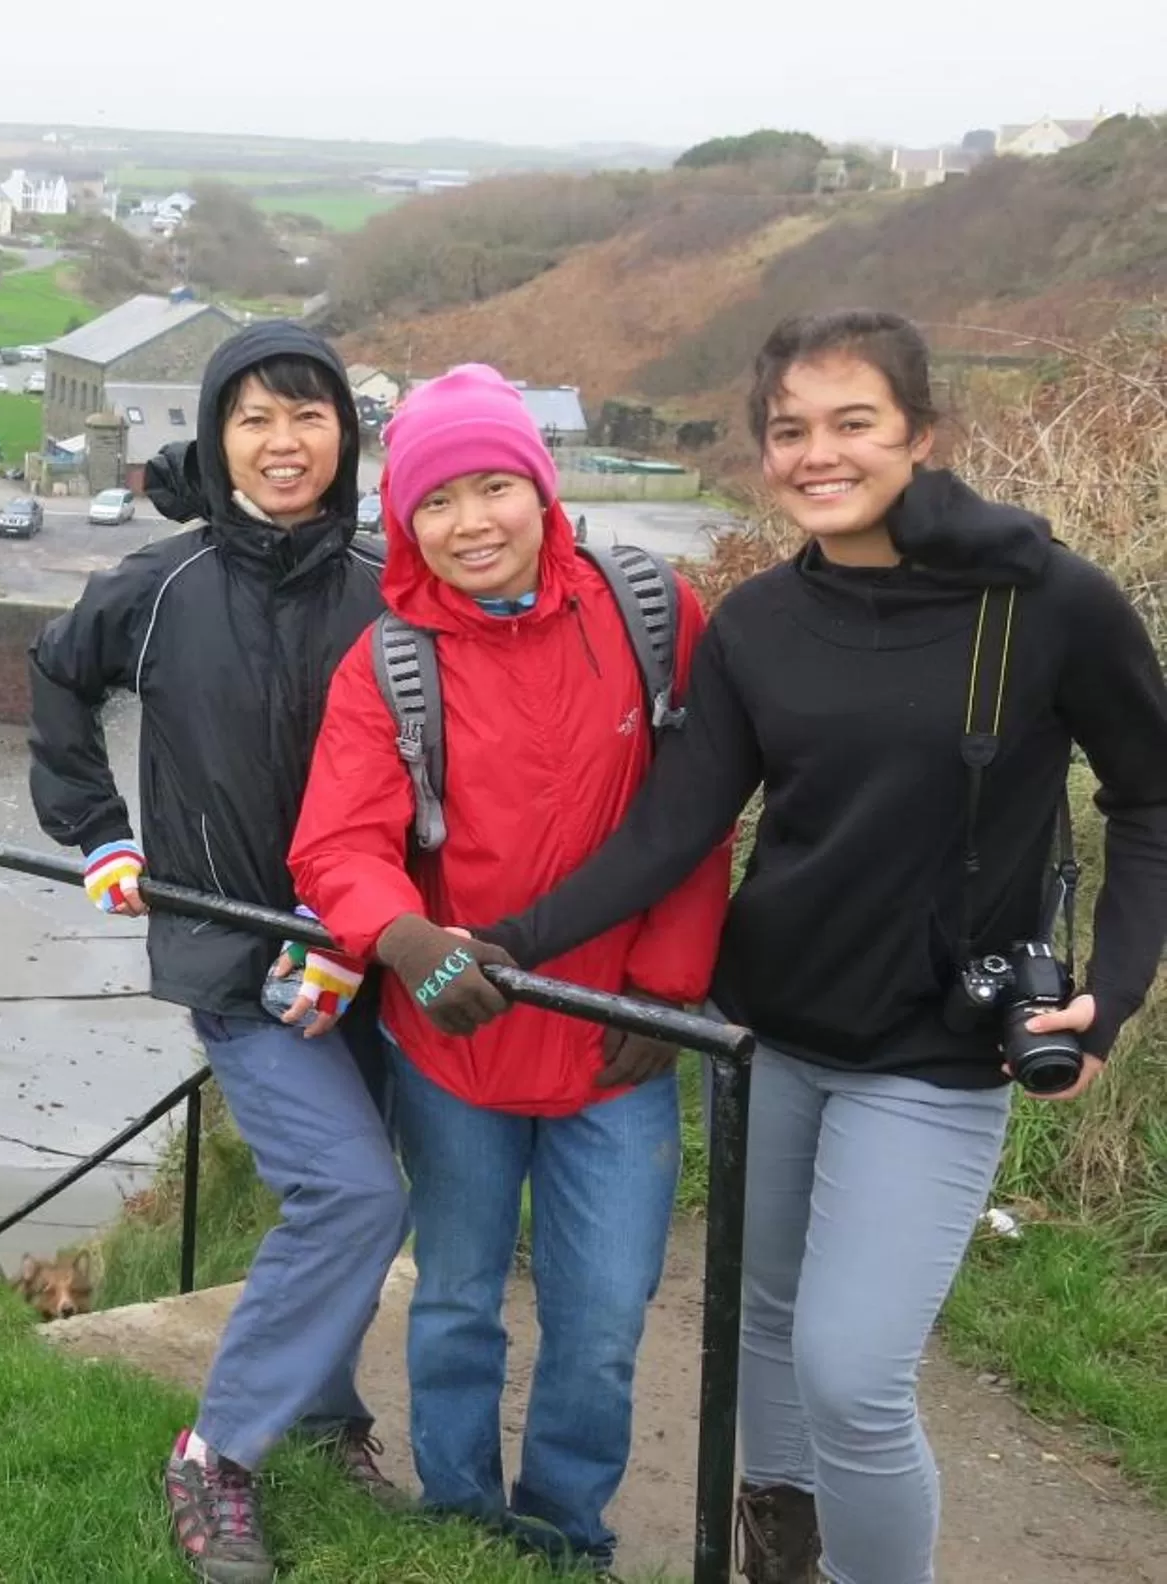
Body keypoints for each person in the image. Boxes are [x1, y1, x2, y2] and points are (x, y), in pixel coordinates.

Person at [458, 309, 1167, 1584]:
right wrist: (502, 942)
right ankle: (778, 1549)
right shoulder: (759, 623)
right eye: (789, 430)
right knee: (767, 1320)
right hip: (770, 1035)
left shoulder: (1046, 603)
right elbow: (673, 828)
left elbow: (1149, 799)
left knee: (852, 1374)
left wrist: (1110, 994)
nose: (816, 455)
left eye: (853, 423)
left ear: (921, 434)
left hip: (935, 1052)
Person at [286, 365, 731, 1572]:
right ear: (403, 522)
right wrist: (405, 941)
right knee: (453, 1300)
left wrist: (668, 990)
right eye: (435, 501)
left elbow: (697, 819)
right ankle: (459, 1517)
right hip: (455, 1041)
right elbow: (337, 845)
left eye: (493, 487)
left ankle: (564, 1531)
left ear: (542, 489)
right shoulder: (387, 664)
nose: (469, 522)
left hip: (617, 1043)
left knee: (602, 1319)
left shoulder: (652, 613)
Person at [28, 322, 400, 1584]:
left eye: (307, 416)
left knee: (351, 1194)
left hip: (374, 950)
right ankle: (216, 1453)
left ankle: (328, 1413)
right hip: (233, 955)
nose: (282, 443)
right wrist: (97, 831)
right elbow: (56, 677)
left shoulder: (388, 585)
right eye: (253, 419)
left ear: (344, 434)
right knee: (353, 1195)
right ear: (215, 435)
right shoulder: (161, 586)